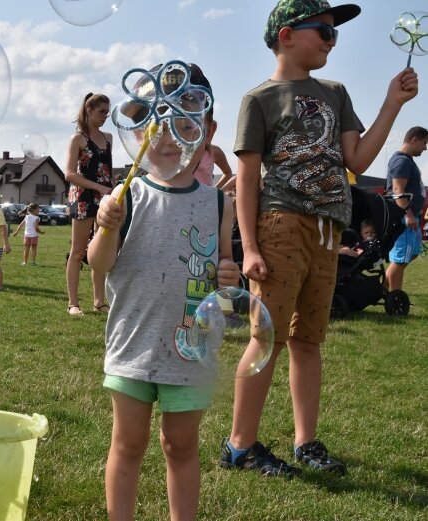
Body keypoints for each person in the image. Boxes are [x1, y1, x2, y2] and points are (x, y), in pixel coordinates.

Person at [220, 0, 418, 478]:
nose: (332, 41)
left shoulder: (335, 91)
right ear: (287, 34)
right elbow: (247, 180)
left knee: (307, 340)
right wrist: (248, 247)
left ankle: (306, 442)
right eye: (324, 31)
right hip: (280, 225)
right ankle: (240, 445)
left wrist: (392, 104)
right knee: (267, 338)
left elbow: (359, 160)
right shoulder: (259, 99)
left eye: (335, 35)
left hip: (330, 231)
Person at [90, 62, 238, 521]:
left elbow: (222, 275)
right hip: (133, 340)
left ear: (207, 131)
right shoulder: (127, 194)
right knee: (128, 443)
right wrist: (104, 227)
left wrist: (228, 275)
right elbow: (99, 263)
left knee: (181, 444)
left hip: (191, 346)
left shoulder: (219, 202)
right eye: (157, 123)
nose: (169, 137)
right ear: (139, 133)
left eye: (185, 122)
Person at [65, 93, 113, 315]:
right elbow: (69, 174)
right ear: (89, 110)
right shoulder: (78, 139)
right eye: (102, 111)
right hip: (83, 198)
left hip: (104, 198)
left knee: (99, 252)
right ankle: (73, 303)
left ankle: (99, 301)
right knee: (77, 251)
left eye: (108, 112)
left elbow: (108, 173)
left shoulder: (109, 138)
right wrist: (98, 187)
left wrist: (112, 190)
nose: (105, 116)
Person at [385, 126, 427, 291]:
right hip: (404, 217)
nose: (425, 148)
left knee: (412, 253)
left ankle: (382, 289)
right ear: (414, 139)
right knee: (401, 259)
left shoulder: (407, 160)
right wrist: (408, 214)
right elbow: (397, 190)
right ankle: (395, 298)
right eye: (424, 143)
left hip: (411, 216)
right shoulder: (401, 161)